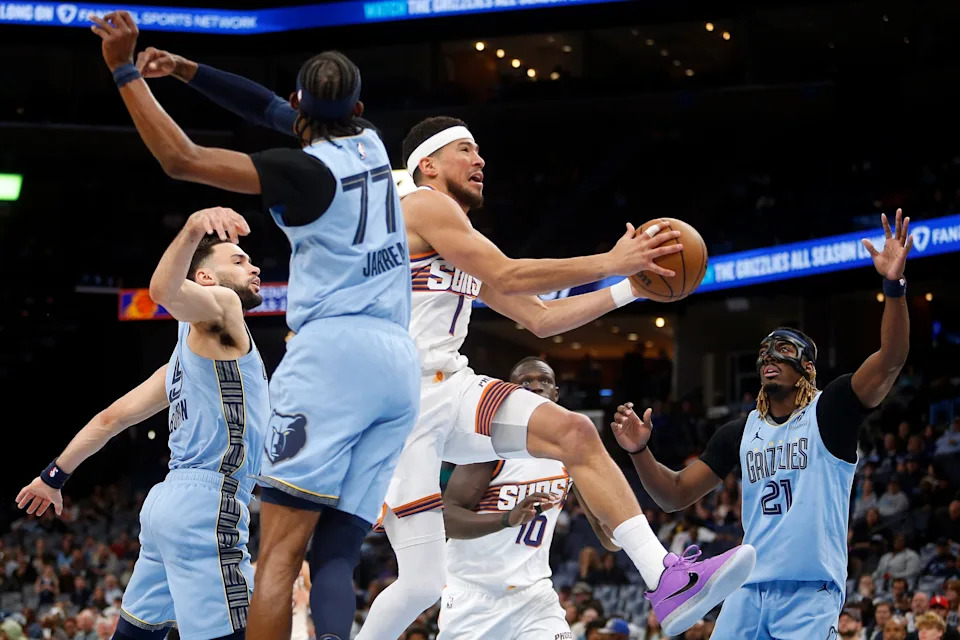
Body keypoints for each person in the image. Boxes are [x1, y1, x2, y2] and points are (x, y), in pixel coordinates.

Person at [133, 47, 757, 638]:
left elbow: (538, 318)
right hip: (392, 396)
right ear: (428, 164)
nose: (480, 160)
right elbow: (511, 273)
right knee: (418, 580)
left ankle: (667, 578)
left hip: (443, 384)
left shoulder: (439, 219)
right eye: (466, 150)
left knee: (575, 434)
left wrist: (629, 291)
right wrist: (609, 258)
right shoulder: (420, 206)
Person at [89, 13, 420, 640]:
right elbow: (268, 107)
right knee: (338, 552)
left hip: (335, 354)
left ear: (302, 106)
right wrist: (188, 70)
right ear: (358, 105)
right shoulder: (373, 140)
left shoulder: (302, 172)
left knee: (276, 554)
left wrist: (126, 70)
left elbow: (181, 159)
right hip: (399, 360)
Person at [611, 210, 914, 638]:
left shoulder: (832, 410)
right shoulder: (739, 430)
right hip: (745, 590)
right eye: (765, 353)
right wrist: (640, 452)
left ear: (807, 366)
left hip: (810, 591)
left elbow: (891, 358)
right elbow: (673, 495)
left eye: (782, 350)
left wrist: (893, 287)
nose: (769, 357)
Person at [16, 208, 269, 640]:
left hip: (165, 507)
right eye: (238, 260)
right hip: (209, 504)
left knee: (137, 635)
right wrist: (193, 230)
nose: (254, 265)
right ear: (205, 280)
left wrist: (53, 476)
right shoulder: (225, 308)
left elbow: (110, 419)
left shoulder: (177, 367)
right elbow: (163, 290)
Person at [437, 357, 617, 639]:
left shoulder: (570, 454)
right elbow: (447, 518)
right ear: (511, 393)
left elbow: (609, 538)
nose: (536, 387)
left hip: (534, 596)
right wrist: (507, 519)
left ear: (556, 394)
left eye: (544, 381)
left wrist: (627, 529)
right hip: (474, 596)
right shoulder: (489, 446)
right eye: (526, 382)